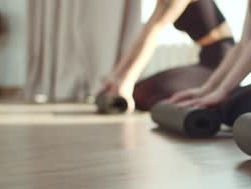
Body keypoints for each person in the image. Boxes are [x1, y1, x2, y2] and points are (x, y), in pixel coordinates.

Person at [98, 0, 235, 112]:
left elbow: (153, 31)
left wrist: (126, 81)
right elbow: (144, 33)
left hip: (222, 65)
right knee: (139, 91)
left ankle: (221, 101)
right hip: (206, 61)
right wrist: (115, 78)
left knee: (140, 94)